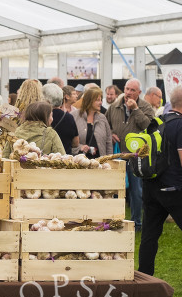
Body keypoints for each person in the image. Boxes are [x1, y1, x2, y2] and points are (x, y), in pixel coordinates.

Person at [138, 85, 182, 275]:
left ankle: (144, 278)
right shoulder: (180, 125)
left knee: (149, 235)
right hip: (174, 189)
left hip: (151, 186)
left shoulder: (157, 121)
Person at [106, 78, 155, 230]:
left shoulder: (145, 107)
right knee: (114, 189)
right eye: (127, 89)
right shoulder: (115, 105)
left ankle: (136, 223)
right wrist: (112, 134)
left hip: (136, 156)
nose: (128, 93)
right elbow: (106, 124)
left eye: (132, 90)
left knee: (136, 191)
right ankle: (113, 221)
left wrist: (135, 110)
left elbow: (150, 127)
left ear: (139, 93)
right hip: (118, 154)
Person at [73, 86, 113, 158]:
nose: (100, 103)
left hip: (100, 163)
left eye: (101, 100)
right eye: (97, 100)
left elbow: (108, 142)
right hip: (80, 163)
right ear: (89, 101)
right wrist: (80, 147)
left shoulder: (102, 118)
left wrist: (109, 159)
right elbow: (69, 141)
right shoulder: (75, 116)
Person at [42, 83, 79, 155]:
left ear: (46, 100)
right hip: (65, 159)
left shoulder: (42, 117)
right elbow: (75, 143)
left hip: (46, 160)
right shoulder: (69, 117)